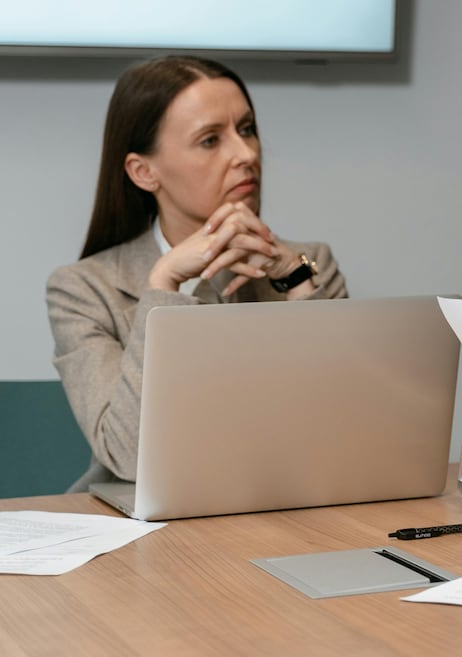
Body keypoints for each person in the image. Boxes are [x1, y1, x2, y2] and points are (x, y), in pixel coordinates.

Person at [47, 56, 348, 492]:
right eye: (210, 140)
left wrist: (295, 283)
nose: (246, 155)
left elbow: (342, 430)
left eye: (246, 130)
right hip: (141, 528)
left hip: (278, 508)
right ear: (143, 171)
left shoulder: (308, 262)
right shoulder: (82, 289)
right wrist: (163, 285)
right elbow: (128, 455)